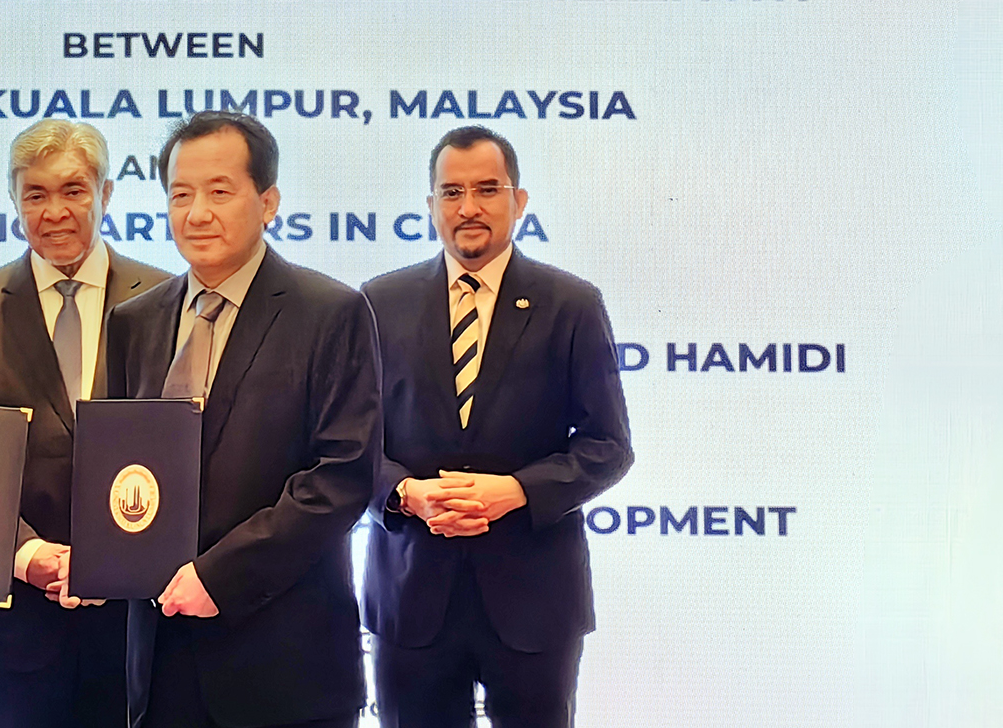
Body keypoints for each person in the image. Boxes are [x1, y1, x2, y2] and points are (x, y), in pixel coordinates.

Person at [103, 111, 380, 728]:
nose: (197, 213)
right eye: (180, 195)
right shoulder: (134, 322)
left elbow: (340, 478)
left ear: (268, 202)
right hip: (162, 660)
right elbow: (123, 466)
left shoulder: (329, 312)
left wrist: (219, 578)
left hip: (284, 663)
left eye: (219, 191)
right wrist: (101, 556)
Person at [361, 127, 633, 728]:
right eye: (451, 192)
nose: (469, 207)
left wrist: (516, 491)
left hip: (534, 599)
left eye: (488, 189)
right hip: (411, 593)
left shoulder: (571, 303)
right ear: (430, 204)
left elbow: (609, 446)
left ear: (519, 200)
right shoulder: (379, 302)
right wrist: (405, 493)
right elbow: (350, 443)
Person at [0, 119, 170, 728]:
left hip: (140, 621)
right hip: (14, 628)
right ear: (14, 201)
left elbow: (185, 448)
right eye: (35, 194)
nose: (54, 211)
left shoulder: (166, 299)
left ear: (106, 193)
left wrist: (120, 554)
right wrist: (27, 553)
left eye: (74, 190)